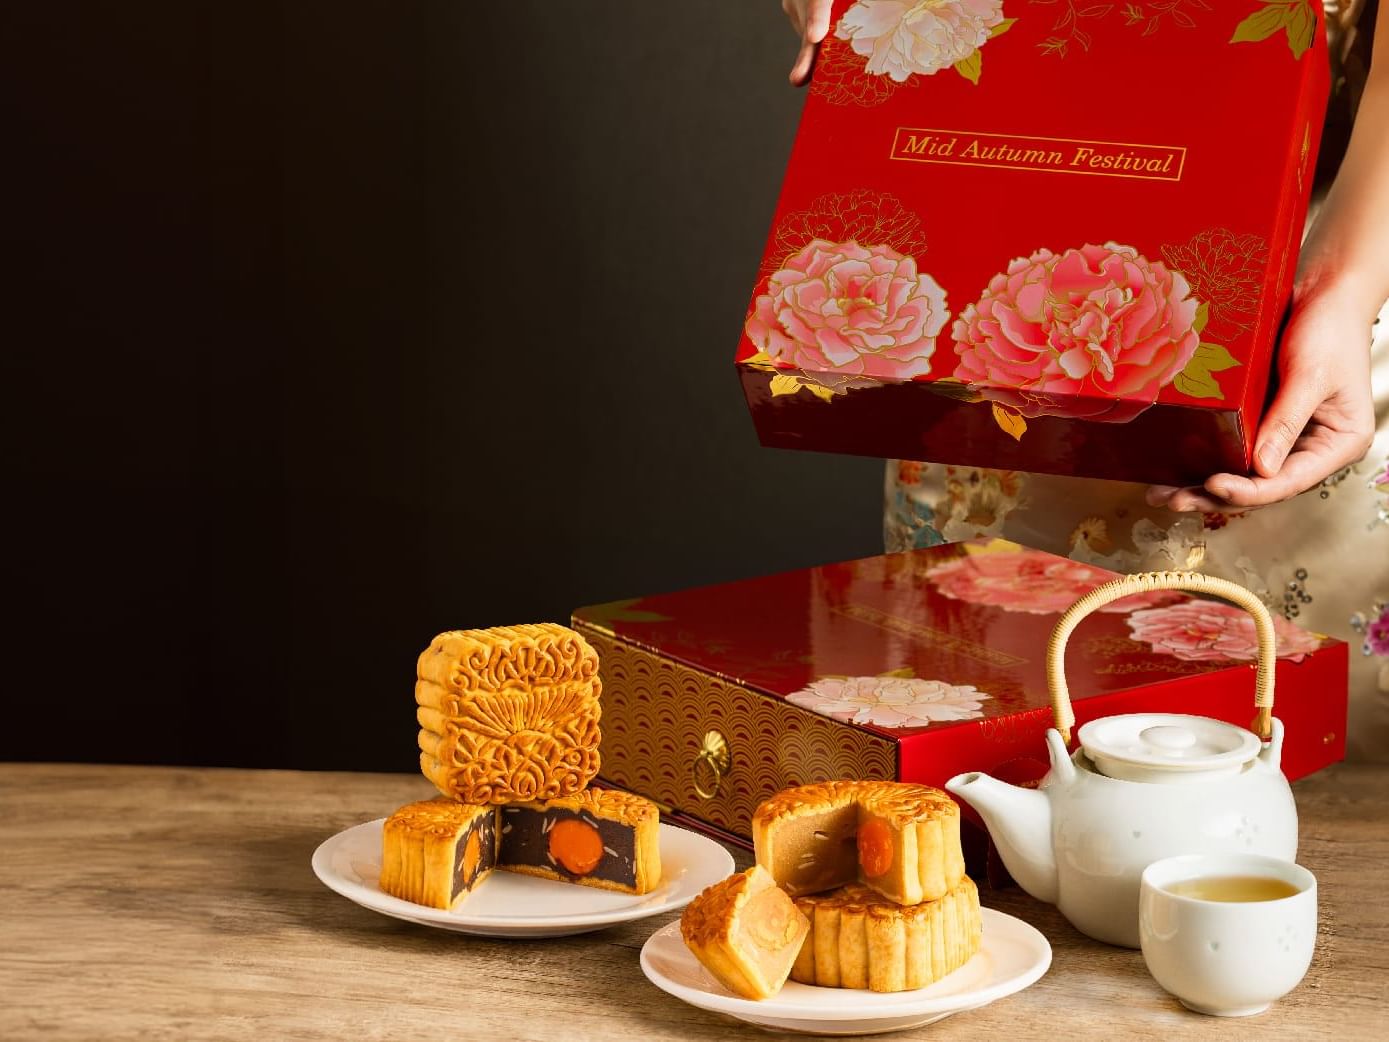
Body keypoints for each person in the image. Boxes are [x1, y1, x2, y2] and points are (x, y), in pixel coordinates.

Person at [778, 1, 1389, 759]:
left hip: (1304, 272)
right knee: (991, 774)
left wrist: (1343, 287)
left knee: (1291, 792)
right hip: (989, 225)